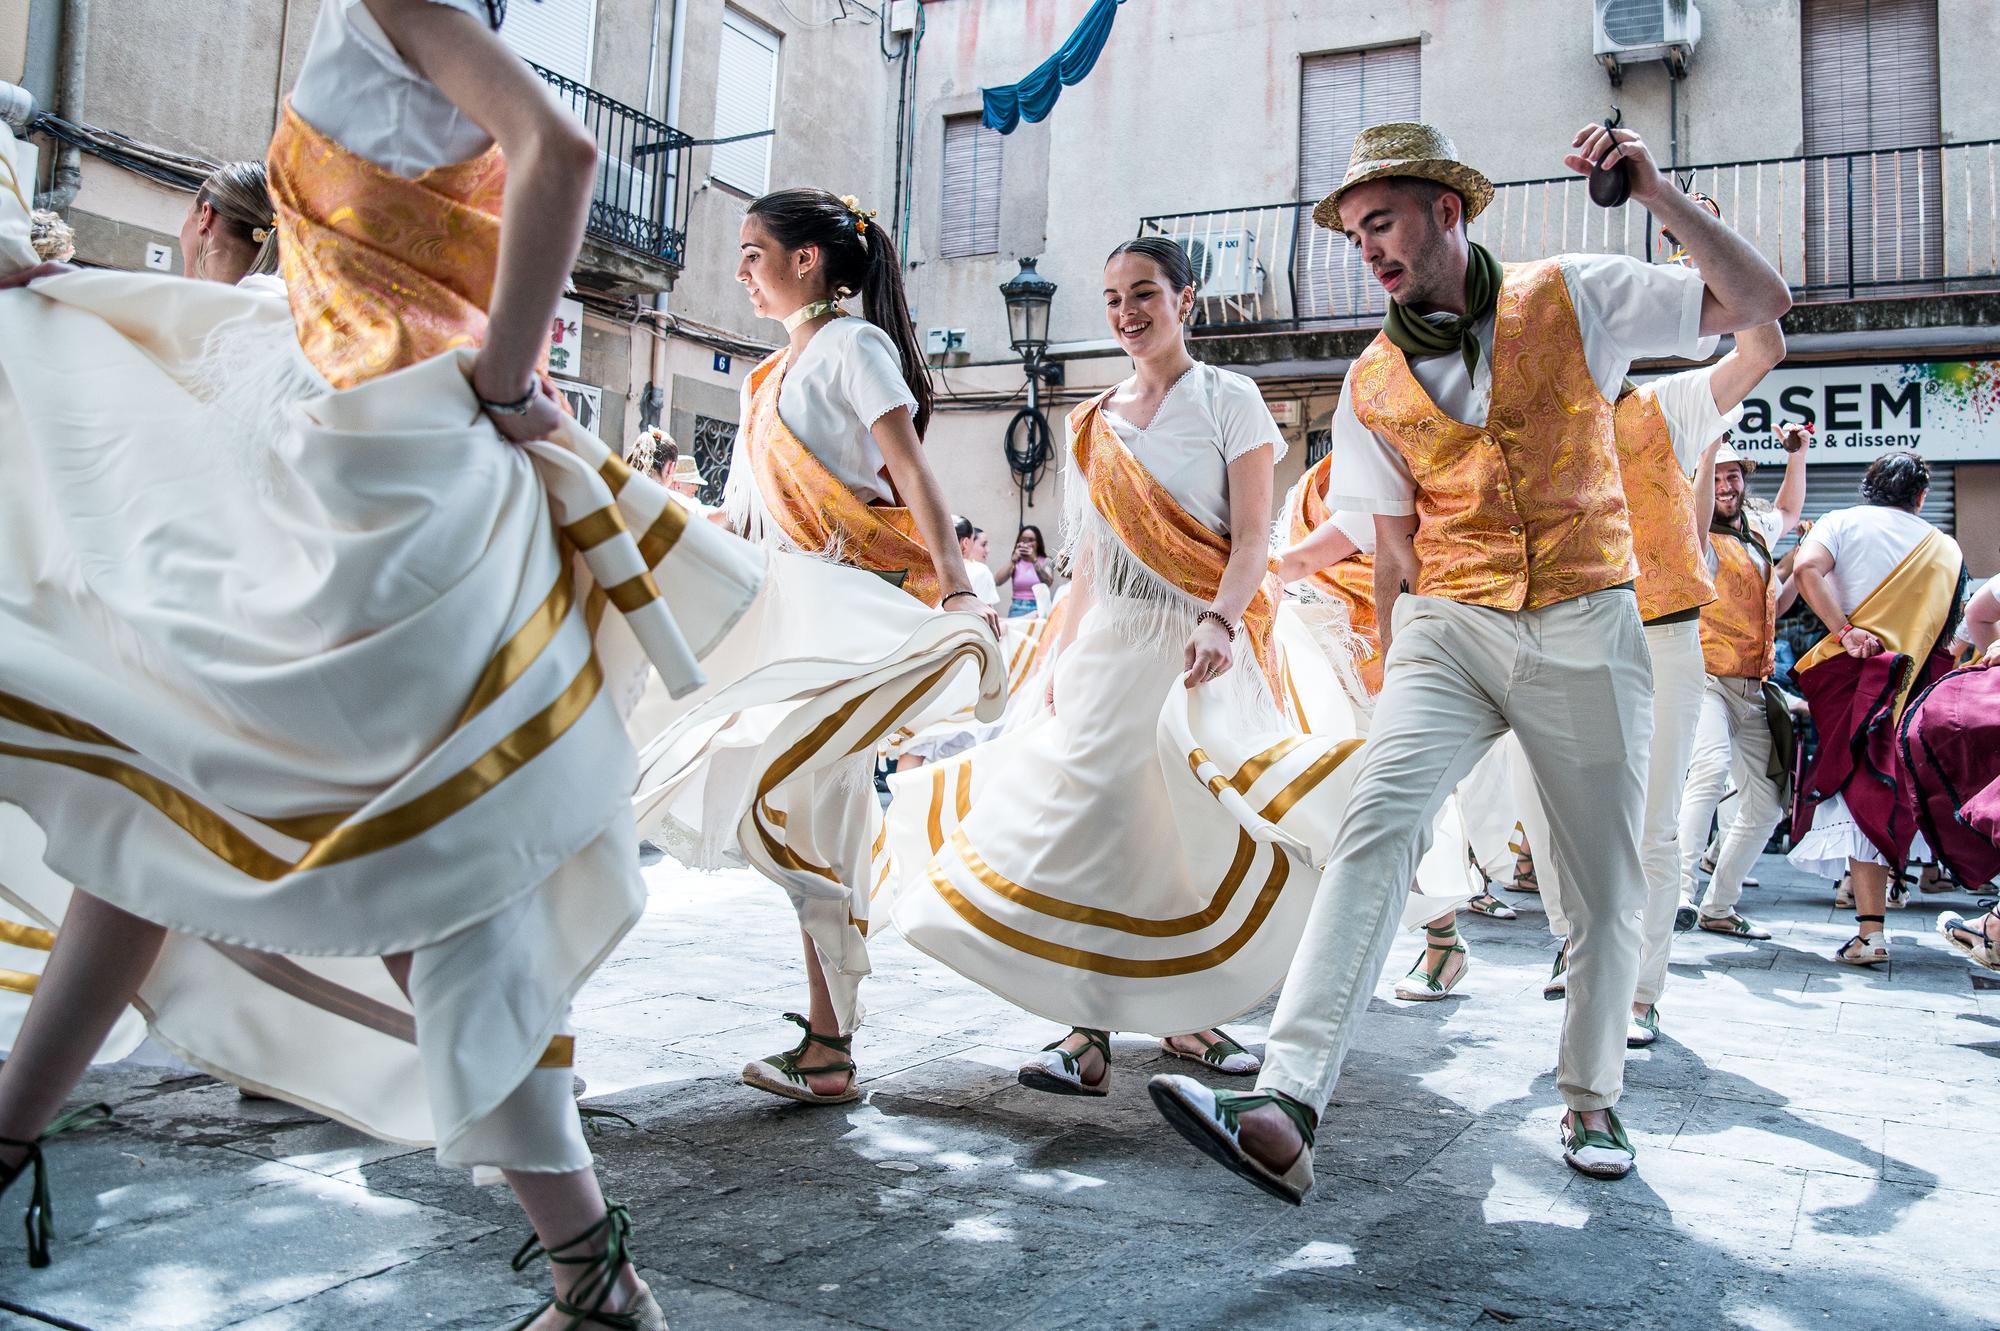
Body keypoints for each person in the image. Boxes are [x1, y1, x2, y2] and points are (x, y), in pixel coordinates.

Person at [0, 2, 782, 1320]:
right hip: (359, 469)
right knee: (156, 800)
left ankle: (598, 1273)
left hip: (379, 492)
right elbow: (320, 287)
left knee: (409, 889)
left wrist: (500, 376)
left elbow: (564, 154)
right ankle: (594, 1273)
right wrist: (67, 292)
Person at [1148, 118, 1791, 1196]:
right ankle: (1286, 1094)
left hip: (1587, 618)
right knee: (1374, 821)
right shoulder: (1368, 383)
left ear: (1445, 211)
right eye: (1354, 234)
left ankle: (1590, 1096)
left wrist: (1655, 190)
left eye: (1382, 222)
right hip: (1449, 623)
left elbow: (1757, 305)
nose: (1369, 250)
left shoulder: (1572, 292)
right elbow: (1390, 549)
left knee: (1599, 876)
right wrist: (1395, 669)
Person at [886, 236, 1366, 1095]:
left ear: (1186, 297)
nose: (1125, 312)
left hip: (1201, 649)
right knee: (1097, 820)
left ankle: (1188, 1016)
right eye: (1111, 299)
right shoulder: (1091, 420)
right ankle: (1085, 1028)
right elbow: (1089, 560)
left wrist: (1220, 620)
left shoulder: (1234, 399)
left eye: (1143, 292)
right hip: (1112, 645)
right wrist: (1062, 659)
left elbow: (1256, 538)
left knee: (1189, 831)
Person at [630, 186, 1004, 1108]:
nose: (740, 270)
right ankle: (828, 1036)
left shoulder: (853, 347)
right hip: (779, 613)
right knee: (777, 798)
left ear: (808, 262)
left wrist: (957, 583)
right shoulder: (768, 378)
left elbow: (909, 468)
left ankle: (831, 1043)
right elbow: (752, 519)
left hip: (835, 617)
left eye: (754, 251)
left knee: (807, 806)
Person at [1524, 330, 1784, 1050]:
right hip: (1559, 628)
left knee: (1655, 824)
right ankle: (1576, 941)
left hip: (1662, 631)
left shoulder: (1665, 405)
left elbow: (1762, 349)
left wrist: (1687, 230)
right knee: (1545, 811)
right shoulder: (1531, 422)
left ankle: (1638, 991)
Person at [1787, 451, 1965, 966]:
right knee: (1892, 788)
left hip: (1852, 680)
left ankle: (1870, 931)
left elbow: (1805, 569)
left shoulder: (1839, 522)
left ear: (1869, 487)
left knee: (1857, 788)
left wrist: (1844, 631)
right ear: (1922, 496)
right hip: (1913, 687)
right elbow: (1951, 636)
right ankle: (1888, 901)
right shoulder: (1945, 548)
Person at [1674, 424, 1807, 940]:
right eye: (1719, 477)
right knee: (1709, 768)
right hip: (1706, 677)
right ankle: (1680, 892)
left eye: (1735, 476)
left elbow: (1790, 515)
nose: (1729, 485)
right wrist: (1706, 450)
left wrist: (1798, 457)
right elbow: (1697, 507)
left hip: (1754, 685)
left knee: (1768, 804)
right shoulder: (1694, 531)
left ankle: (1719, 905)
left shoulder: (1753, 532)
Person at [955, 516, 1003, 610]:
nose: (988, 550)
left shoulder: (931, 567)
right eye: (983, 545)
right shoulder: (980, 570)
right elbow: (987, 620)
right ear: (966, 542)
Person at [1006, 524, 1054, 617]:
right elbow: (998, 581)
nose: (1027, 543)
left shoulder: (1046, 560)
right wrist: (1013, 560)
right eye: (1023, 540)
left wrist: (1034, 561)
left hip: (1038, 608)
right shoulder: (1016, 561)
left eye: (1030, 540)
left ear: (1038, 543)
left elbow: (1048, 582)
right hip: (1017, 608)